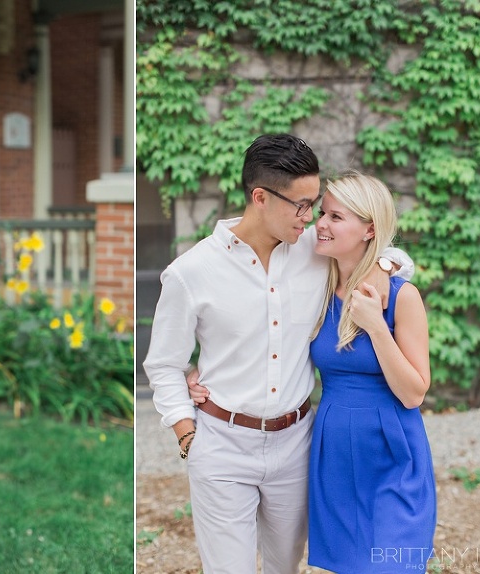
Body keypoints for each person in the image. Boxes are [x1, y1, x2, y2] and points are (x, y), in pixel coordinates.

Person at [143, 133, 413, 574]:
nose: (312, 218)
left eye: (317, 205)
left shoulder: (315, 250)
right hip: (221, 445)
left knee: (284, 568)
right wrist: (188, 435)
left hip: (296, 443)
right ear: (261, 197)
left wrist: (384, 267)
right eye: (303, 205)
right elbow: (164, 364)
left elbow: (385, 249)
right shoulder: (191, 272)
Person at [306, 172, 435, 573]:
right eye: (321, 213)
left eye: (335, 217)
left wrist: (377, 327)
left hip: (393, 454)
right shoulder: (314, 286)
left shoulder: (401, 296)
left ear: (370, 229)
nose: (321, 224)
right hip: (334, 456)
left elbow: (414, 394)